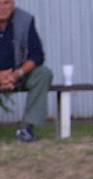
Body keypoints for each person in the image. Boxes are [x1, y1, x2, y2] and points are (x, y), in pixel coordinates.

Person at [0, 0, 53, 143]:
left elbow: (37, 55)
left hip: (17, 76)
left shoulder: (25, 20)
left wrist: (16, 74)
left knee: (43, 74)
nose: (2, 8)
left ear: (13, 4)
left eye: (6, 3)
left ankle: (27, 130)